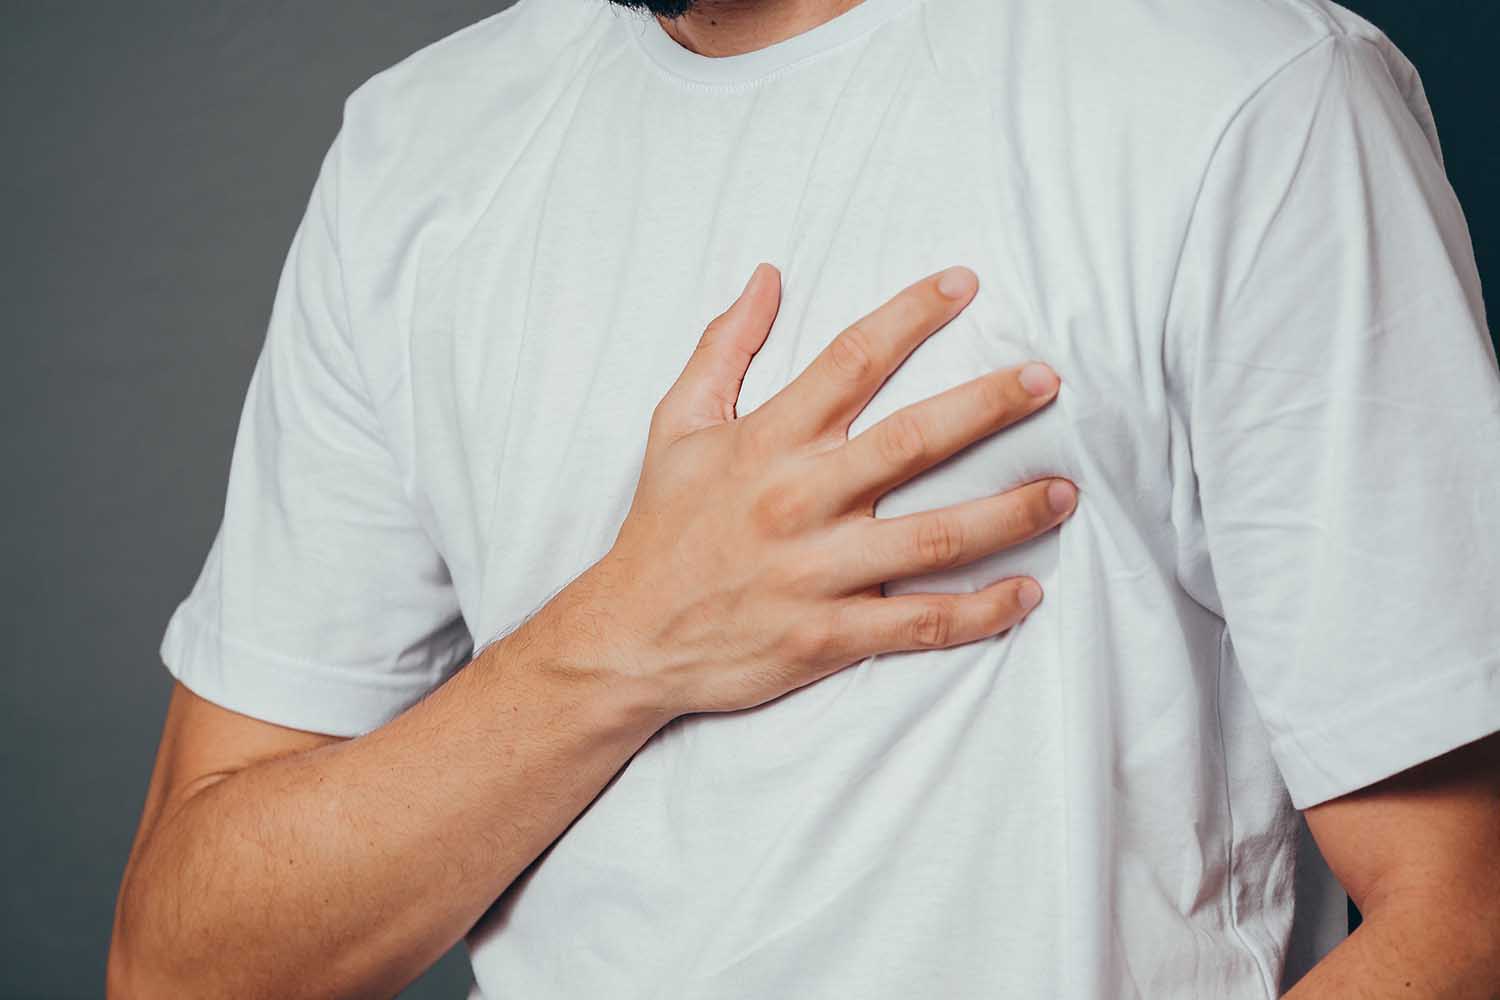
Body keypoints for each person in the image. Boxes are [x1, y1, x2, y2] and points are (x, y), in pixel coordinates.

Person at [108, 0, 1500, 996]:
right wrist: (621, 642)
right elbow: (185, 964)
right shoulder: (417, 155)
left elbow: (1468, 918)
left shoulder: (1237, 91)